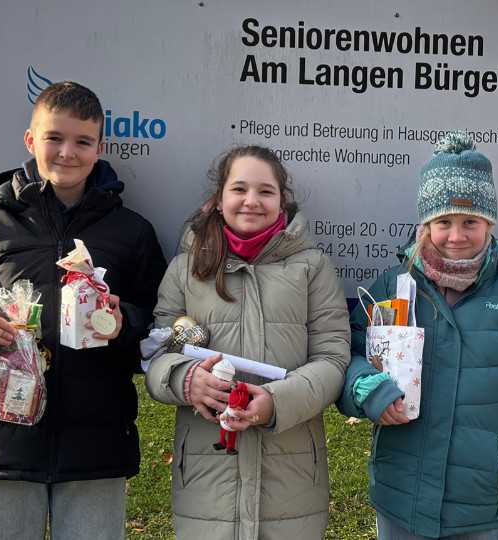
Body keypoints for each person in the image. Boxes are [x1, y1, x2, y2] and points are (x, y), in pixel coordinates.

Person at [0, 81, 168, 540]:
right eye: (54, 138)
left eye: (82, 141)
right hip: (0, 440)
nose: (67, 152)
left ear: (99, 149)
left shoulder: (132, 231)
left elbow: (160, 323)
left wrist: (123, 322)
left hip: (96, 443)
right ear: (31, 140)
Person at [336, 131, 498, 540]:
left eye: (470, 222)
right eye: (444, 221)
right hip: (399, 491)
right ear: (427, 223)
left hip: (480, 499)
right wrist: (366, 389)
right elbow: (348, 355)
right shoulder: (394, 285)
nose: (456, 236)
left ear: (489, 223)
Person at [143, 145, 350, 539]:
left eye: (266, 191)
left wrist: (278, 402)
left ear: (282, 201)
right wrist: (184, 380)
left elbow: (334, 358)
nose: (251, 201)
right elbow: (156, 353)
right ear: (218, 200)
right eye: (239, 189)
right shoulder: (186, 268)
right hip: (206, 480)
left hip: (291, 482)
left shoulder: (312, 268)